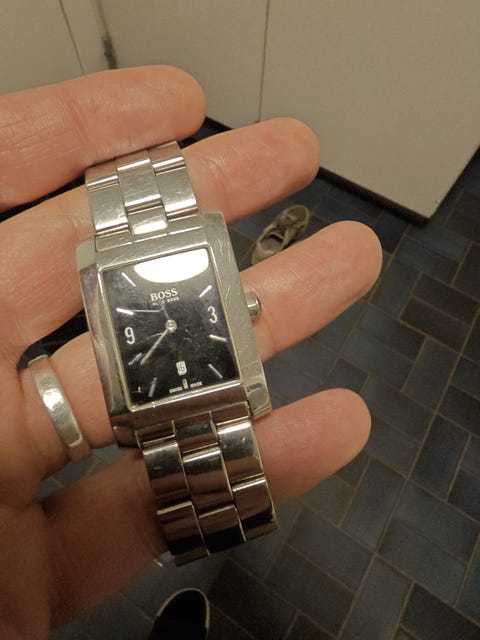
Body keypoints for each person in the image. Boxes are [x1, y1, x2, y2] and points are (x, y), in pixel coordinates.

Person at [0, 65, 382, 639]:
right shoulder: (116, 295)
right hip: (163, 412)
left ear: (240, 304)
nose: (170, 323)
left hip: (195, 397)